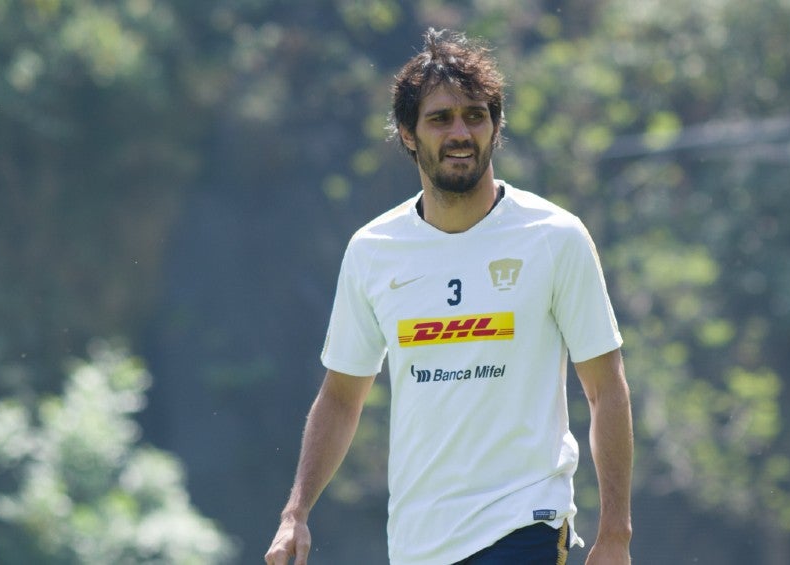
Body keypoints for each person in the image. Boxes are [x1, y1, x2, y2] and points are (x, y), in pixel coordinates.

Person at [266, 28, 633, 565]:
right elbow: (343, 397)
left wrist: (615, 535)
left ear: (496, 127)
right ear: (408, 134)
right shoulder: (374, 251)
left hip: (525, 521)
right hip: (418, 542)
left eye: (475, 115)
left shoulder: (555, 237)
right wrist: (295, 513)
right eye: (440, 118)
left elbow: (607, 389)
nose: (460, 132)